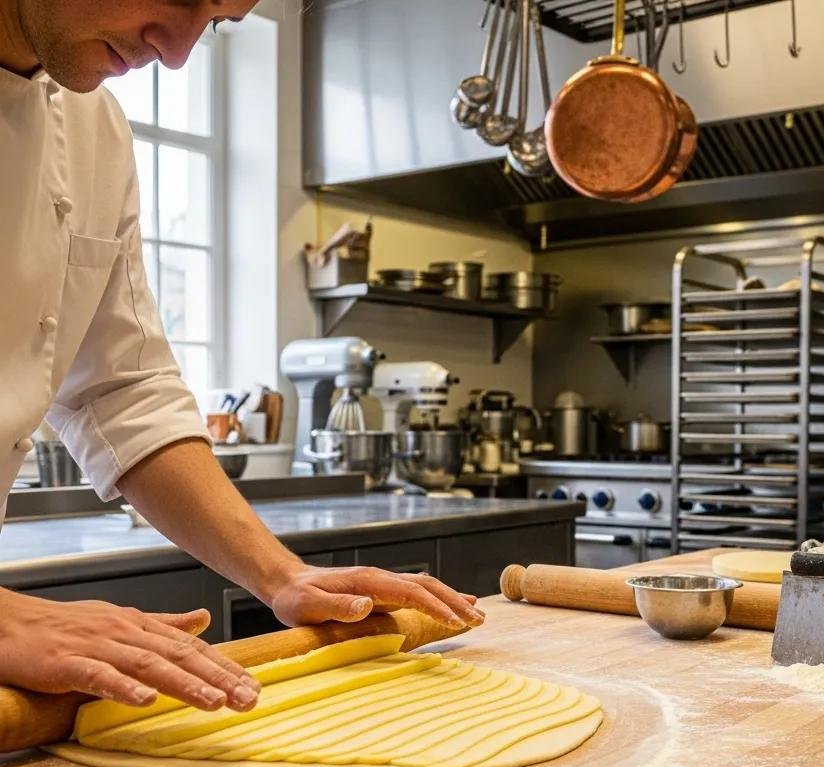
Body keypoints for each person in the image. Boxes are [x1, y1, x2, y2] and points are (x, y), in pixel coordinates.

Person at [0, 0, 484, 716]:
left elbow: (122, 390)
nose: (177, 52)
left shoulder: (95, 129)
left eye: (220, 18)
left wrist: (281, 575)